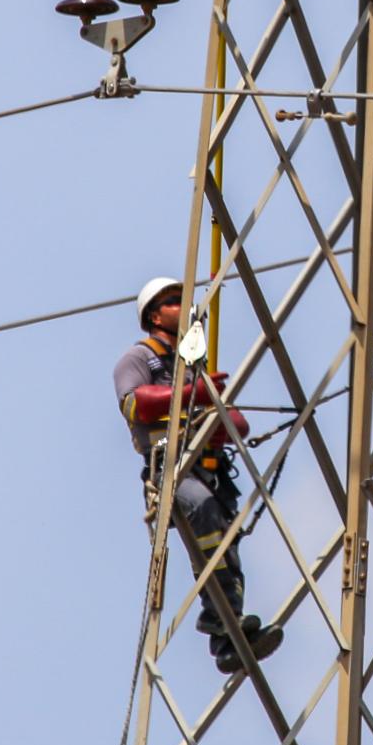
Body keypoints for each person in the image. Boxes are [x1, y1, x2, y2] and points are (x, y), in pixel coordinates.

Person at [114, 277, 284, 674]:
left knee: (227, 540)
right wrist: (193, 397)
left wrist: (219, 416)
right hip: (172, 472)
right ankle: (220, 617)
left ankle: (228, 637)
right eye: (173, 302)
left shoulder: (193, 366)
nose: (182, 307)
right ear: (154, 315)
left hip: (209, 471)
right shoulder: (139, 359)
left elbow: (236, 423)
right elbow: (134, 404)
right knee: (206, 513)